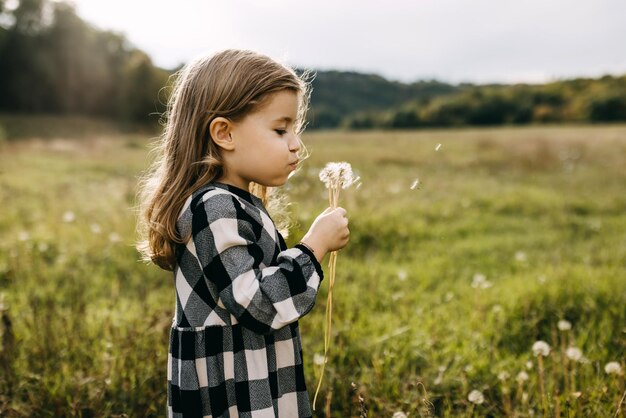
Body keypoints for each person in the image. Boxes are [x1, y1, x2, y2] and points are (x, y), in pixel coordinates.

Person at [136, 49, 350, 418]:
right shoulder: (213, 208)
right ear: (224, 133)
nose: (296, 143)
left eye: (295, 129)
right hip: (234, 396)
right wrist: (314, 247)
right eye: (281, 129)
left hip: (253, 382)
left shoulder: (235, 203)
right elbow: (259, 305)